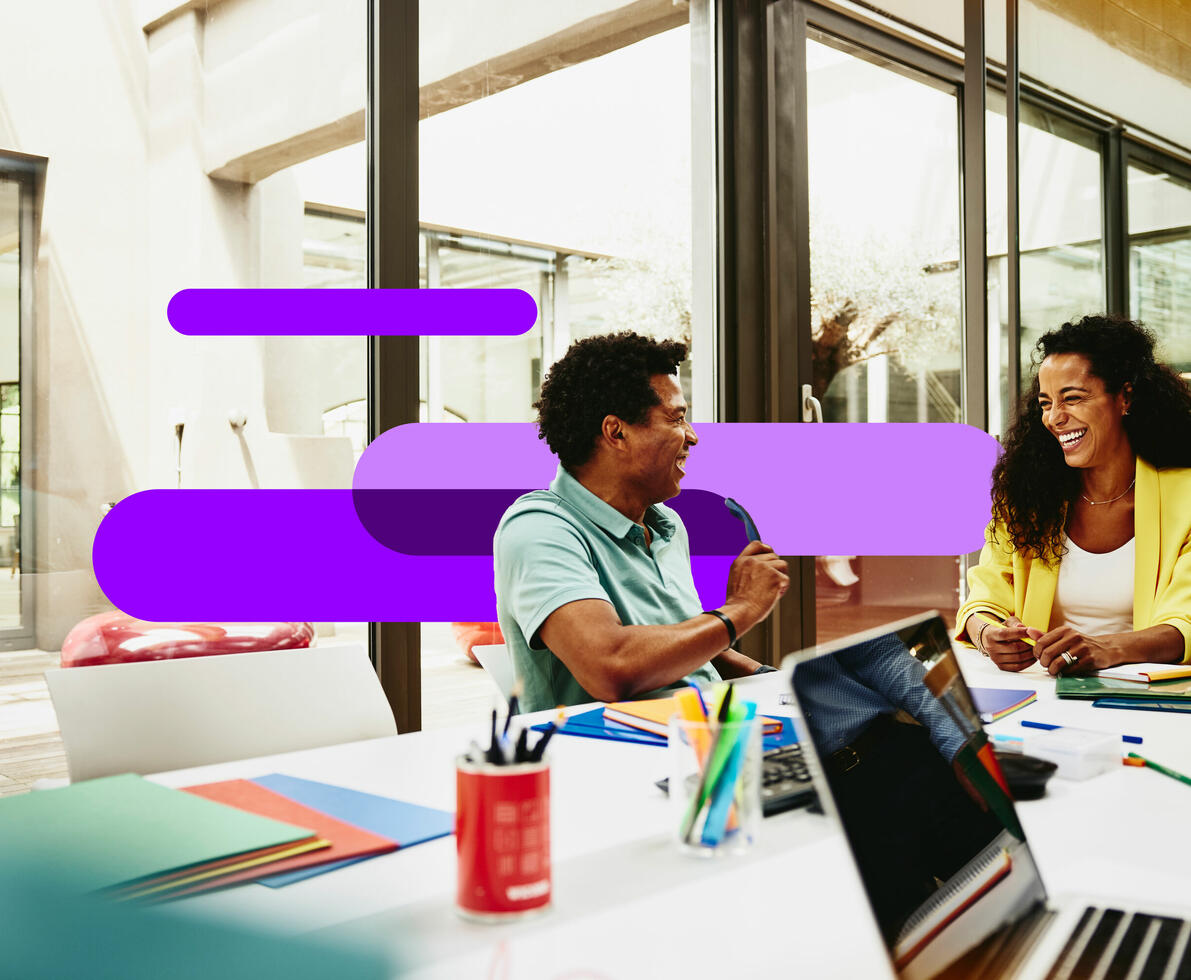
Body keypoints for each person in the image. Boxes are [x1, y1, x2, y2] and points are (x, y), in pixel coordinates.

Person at [494, 331, 789, 712]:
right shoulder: (539, 529)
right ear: (616, 432)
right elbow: (610, 666)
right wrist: (742, 608)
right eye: (677, 419)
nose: (693, 437)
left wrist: (773, 679)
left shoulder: (667, 527)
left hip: (700, 739)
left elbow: (678, 647)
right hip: (609, 759)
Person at [955, 315, 1191, 675]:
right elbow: (984, 596)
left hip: (1153, 702)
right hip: (1046, 696)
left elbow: (1185, 621)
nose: (1054, 418)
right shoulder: (1028, 498)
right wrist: (989, 635)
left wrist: (1108, 648)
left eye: (1073, 398)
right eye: (1046, 402)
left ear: (1124, 397)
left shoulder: (1184, 497)